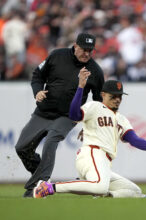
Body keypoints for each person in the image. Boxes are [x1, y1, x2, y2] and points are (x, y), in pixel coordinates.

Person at [32, 76, 146, 198]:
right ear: (103, 95)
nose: (117, 99)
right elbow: (74, 115)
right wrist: (80, 87)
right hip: (92, 154)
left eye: (120, 96)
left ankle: (105, 196)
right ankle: (48, 187)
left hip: (104, 163)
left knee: (134, 191)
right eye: (113, 96)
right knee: (99, 187)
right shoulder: (94, 106)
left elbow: (134, 139)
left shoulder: (121, 119)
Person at [15, 33, 105, 197]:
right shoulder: (57, 55)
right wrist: (37, 92)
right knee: (21, 147)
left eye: (90, 51)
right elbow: (37, 75)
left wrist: (89, 125)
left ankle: (38, 185)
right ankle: (39, 173)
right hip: (43, 111)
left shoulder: (95, 71)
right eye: (84, 49)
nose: (87, 53)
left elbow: (99, 102)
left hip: (68, 116)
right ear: (75, 45)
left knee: (51, 141)